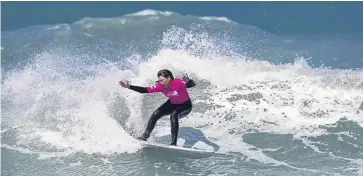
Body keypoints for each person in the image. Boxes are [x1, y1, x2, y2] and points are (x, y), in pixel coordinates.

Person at [119, 69, 196, 146]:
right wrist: (128, 86)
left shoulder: (178, 82)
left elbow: (192, 84)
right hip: (172, 103)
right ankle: (145, 136)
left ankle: (173, 143)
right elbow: (144, 90)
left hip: (185, 106)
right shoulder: (160, 86)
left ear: (169, 78)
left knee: (174, 115)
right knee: (155, 114)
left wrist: (188, 80)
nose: (160, 82)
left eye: (162, 80)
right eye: (159, 81)